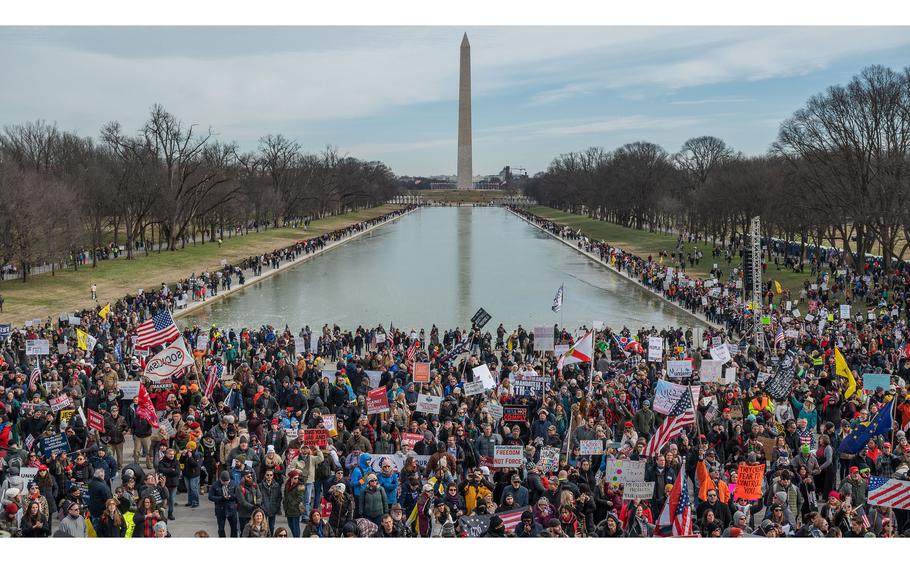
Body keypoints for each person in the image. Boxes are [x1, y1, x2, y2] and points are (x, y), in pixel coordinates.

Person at [209, 470, 239, 538]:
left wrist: (231, 497)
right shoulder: (215, 485)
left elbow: (237, 495)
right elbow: (210, 497)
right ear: (220, 479)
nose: (225, 483)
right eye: (224, 482)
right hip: (220, 510)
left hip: (231, 509)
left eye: (227, 481)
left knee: (234, 528)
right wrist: (221, 498)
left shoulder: (233, 484)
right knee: (221, 529)